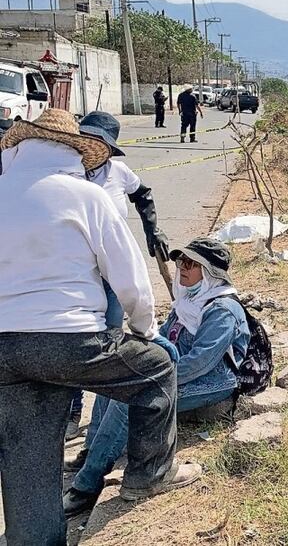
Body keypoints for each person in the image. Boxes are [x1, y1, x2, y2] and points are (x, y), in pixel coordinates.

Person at [0, 109, 199, 546]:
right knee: (158, 369)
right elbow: (130, 280)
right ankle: (149, 475)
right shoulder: (85, 196)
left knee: (27, 458)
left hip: (4, 349)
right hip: (71, 339)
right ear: (73, 151)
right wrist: (145, 330)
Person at [64, 238, 248, 519]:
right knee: (113, 383)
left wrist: (155, 377)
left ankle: (86, 487)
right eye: (180, 262)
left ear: (210, 272)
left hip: (214, 382)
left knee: (130, 401)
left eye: (191, 263)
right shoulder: (188, 299)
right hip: (176, 371)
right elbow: (163, 337)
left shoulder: (222, 310)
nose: (182, 268)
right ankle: (91, 454)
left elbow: (202, 363)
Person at [62, 111, 171, 441]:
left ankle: (103, 421)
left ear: (109, 148)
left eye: (99, 142)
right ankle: (72, 410)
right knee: (76, 339)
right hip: (78, 271)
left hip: (112, 270)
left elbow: (143, 195)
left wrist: (154, 232)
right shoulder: (66, 173)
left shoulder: (119, 173)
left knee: (107, 340)